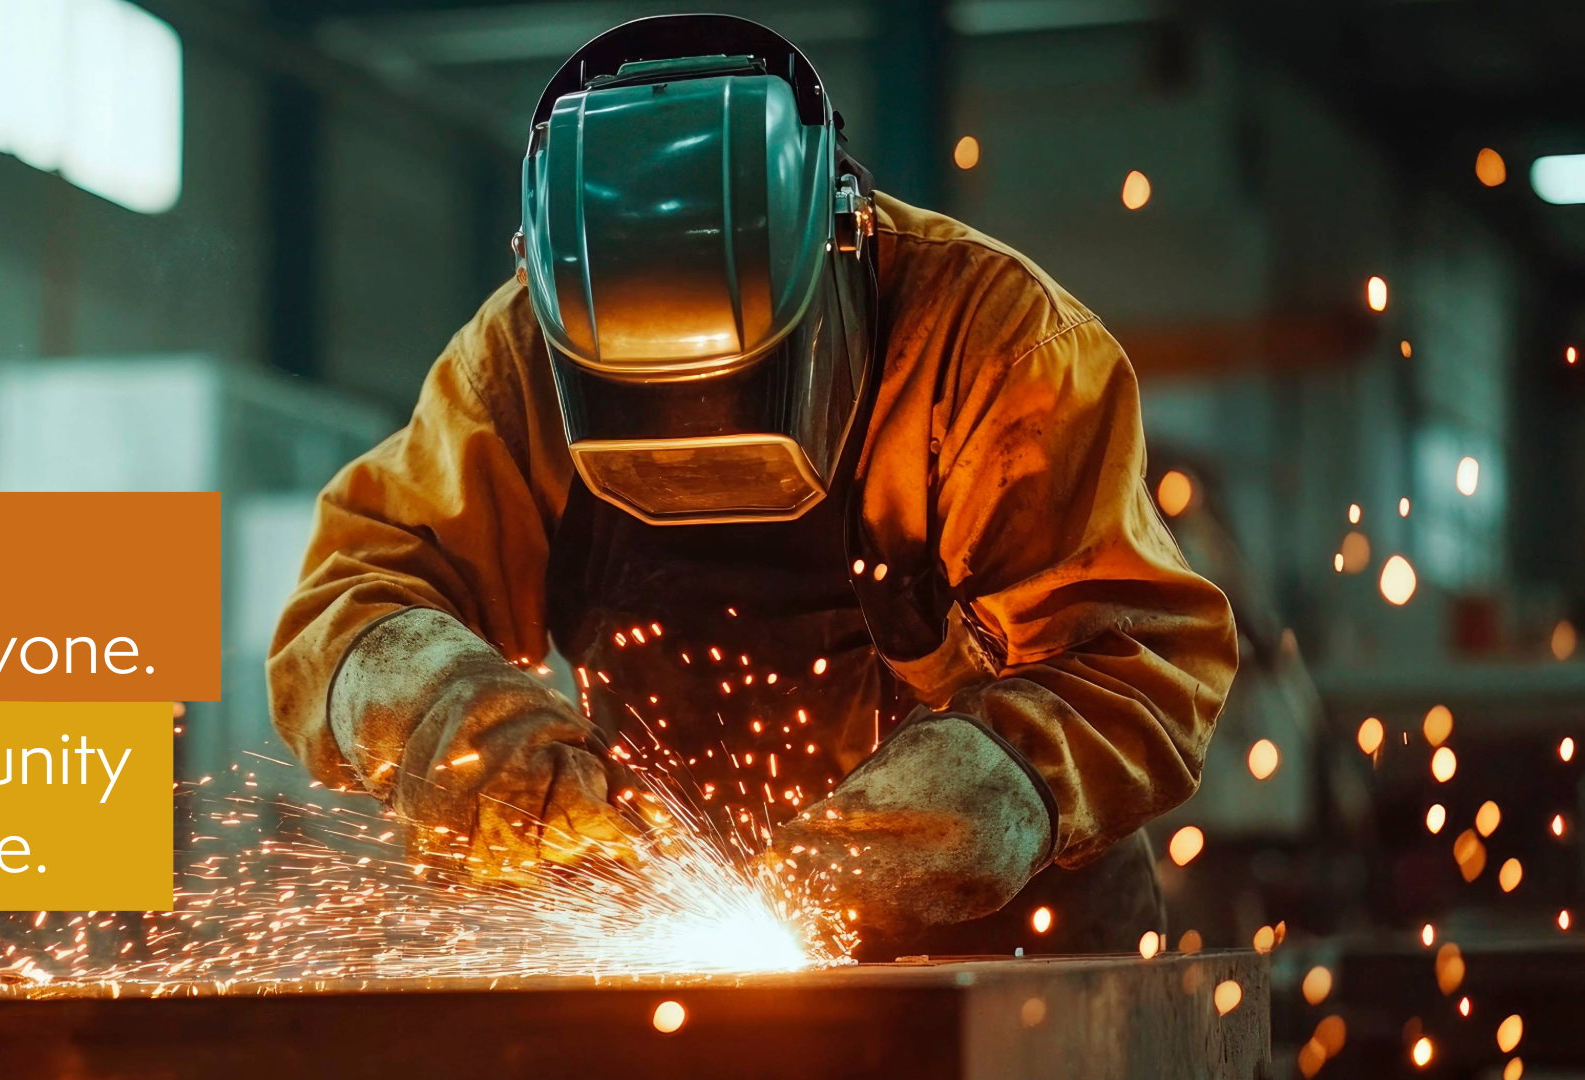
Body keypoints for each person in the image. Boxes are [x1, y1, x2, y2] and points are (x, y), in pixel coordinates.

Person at [268, 14, 1237, 958]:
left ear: (838, 250)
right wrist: (447, 714)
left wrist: (998, 784)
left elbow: (1136, 657)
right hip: (674, 917)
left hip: (1013, 940)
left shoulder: (997, 346)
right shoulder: (516, 359)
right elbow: (352, 605)